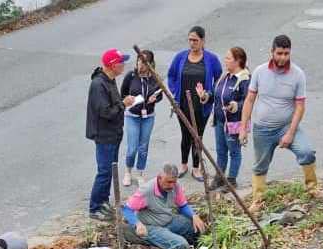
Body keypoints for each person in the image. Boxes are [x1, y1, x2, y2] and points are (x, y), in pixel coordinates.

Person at [239, 35, 318, 212]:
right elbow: (250, 100)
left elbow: (300, 106)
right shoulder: (260, 72)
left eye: (286, 53)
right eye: (279, 53)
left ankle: (312, 188)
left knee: (306, 152)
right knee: (260, 165)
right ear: (272, 52)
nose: (283, 57)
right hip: (262, 129)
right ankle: (258, 200)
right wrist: (243, 127)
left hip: (286, 127)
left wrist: (290, 133)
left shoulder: (298, 75)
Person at [86, 48, 136, 221]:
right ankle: (95, 207)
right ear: (113, 65)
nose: (124, 65)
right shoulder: (98, 85)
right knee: (105, 171)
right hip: (105, 135)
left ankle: (104, 201)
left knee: (111, 169)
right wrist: (123, 104)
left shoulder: (110, 80)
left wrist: (122, 103)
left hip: (114, 133)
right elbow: (105, 112)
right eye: (121, 62)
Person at [168, 26, 222, 181]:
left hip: (202, 105)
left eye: (195, 40)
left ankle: (196, 167)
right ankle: (183, 165)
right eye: (190, 40)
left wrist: (209, 93)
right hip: (182, 104)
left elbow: (219, 79)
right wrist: (174, 91)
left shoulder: (211, 59)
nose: (192, 43)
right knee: (185, 135)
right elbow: (171, 75)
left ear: (203, 41)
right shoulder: (180, 57)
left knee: (197, 136)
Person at [122, 163, 206, 249]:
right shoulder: (146, 190)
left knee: (196, 228)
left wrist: (194, 216)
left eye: (174, 182)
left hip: (169, 220)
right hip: (150, 227)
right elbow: (127, 210)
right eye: (168, 182)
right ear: (159, 178)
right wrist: (137, 223)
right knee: (181, 244)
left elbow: (183, 205)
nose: (172, 185)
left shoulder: (175, 186)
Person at [205, 47, 250, 191]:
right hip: (219, 121)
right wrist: (205, 96)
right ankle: (219, 177)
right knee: (220, 150)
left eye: (228, 58)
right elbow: (215, 94)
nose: (225, 61)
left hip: (234, 123)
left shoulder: (244, 79)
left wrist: (236, 105)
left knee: (234, 151)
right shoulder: (225, 77)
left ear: (238, 61)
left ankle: (231, 180)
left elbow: (248, 101)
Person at [120, 50, 163, 187]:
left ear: (150, 64)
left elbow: (161, 94)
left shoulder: (155, 78)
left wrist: (154, 99)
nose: (140, 65)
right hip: (132, 115)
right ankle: (127, 172)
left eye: (144, 62)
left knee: (143, 147)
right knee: (132, 147)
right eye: (139, 61)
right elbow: (123, 94)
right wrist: (128, 100)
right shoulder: (131, 76)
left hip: (148, 116)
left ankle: (140, 173)